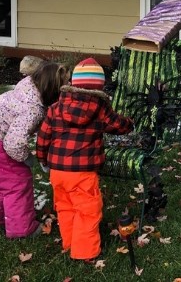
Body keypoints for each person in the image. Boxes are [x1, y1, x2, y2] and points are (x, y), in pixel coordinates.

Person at [36, 57, 133, 262]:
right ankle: (84, 252)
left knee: (65, 206)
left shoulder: (56, 107)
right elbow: (117, 125)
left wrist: (43, 159)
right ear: (99, 85)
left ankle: (69, 242)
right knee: (87, 211)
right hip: (82, 173)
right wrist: (129, 123)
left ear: (73, 83)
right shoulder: (99, 108)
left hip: (58, 172)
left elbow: (43, 136)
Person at [0, 61, 69, 239]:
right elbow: (14, 143)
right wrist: (27, 158)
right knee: (18, 183)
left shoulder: (26, 88)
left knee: (6, 182)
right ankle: (21, 229)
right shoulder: (32, 110)